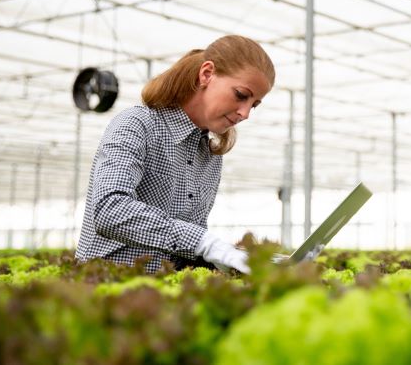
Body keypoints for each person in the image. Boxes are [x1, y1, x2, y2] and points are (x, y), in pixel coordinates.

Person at [75, 35, 274, 274]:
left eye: (254, 104)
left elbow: (184, 246)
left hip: (165, 295)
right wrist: (204, 242)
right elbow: (109, 209)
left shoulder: (209, 154)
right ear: (207, 74)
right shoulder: (137, 125)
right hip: (108, 290)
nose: (245, 113)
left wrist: (232, 261)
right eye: (241, 95)